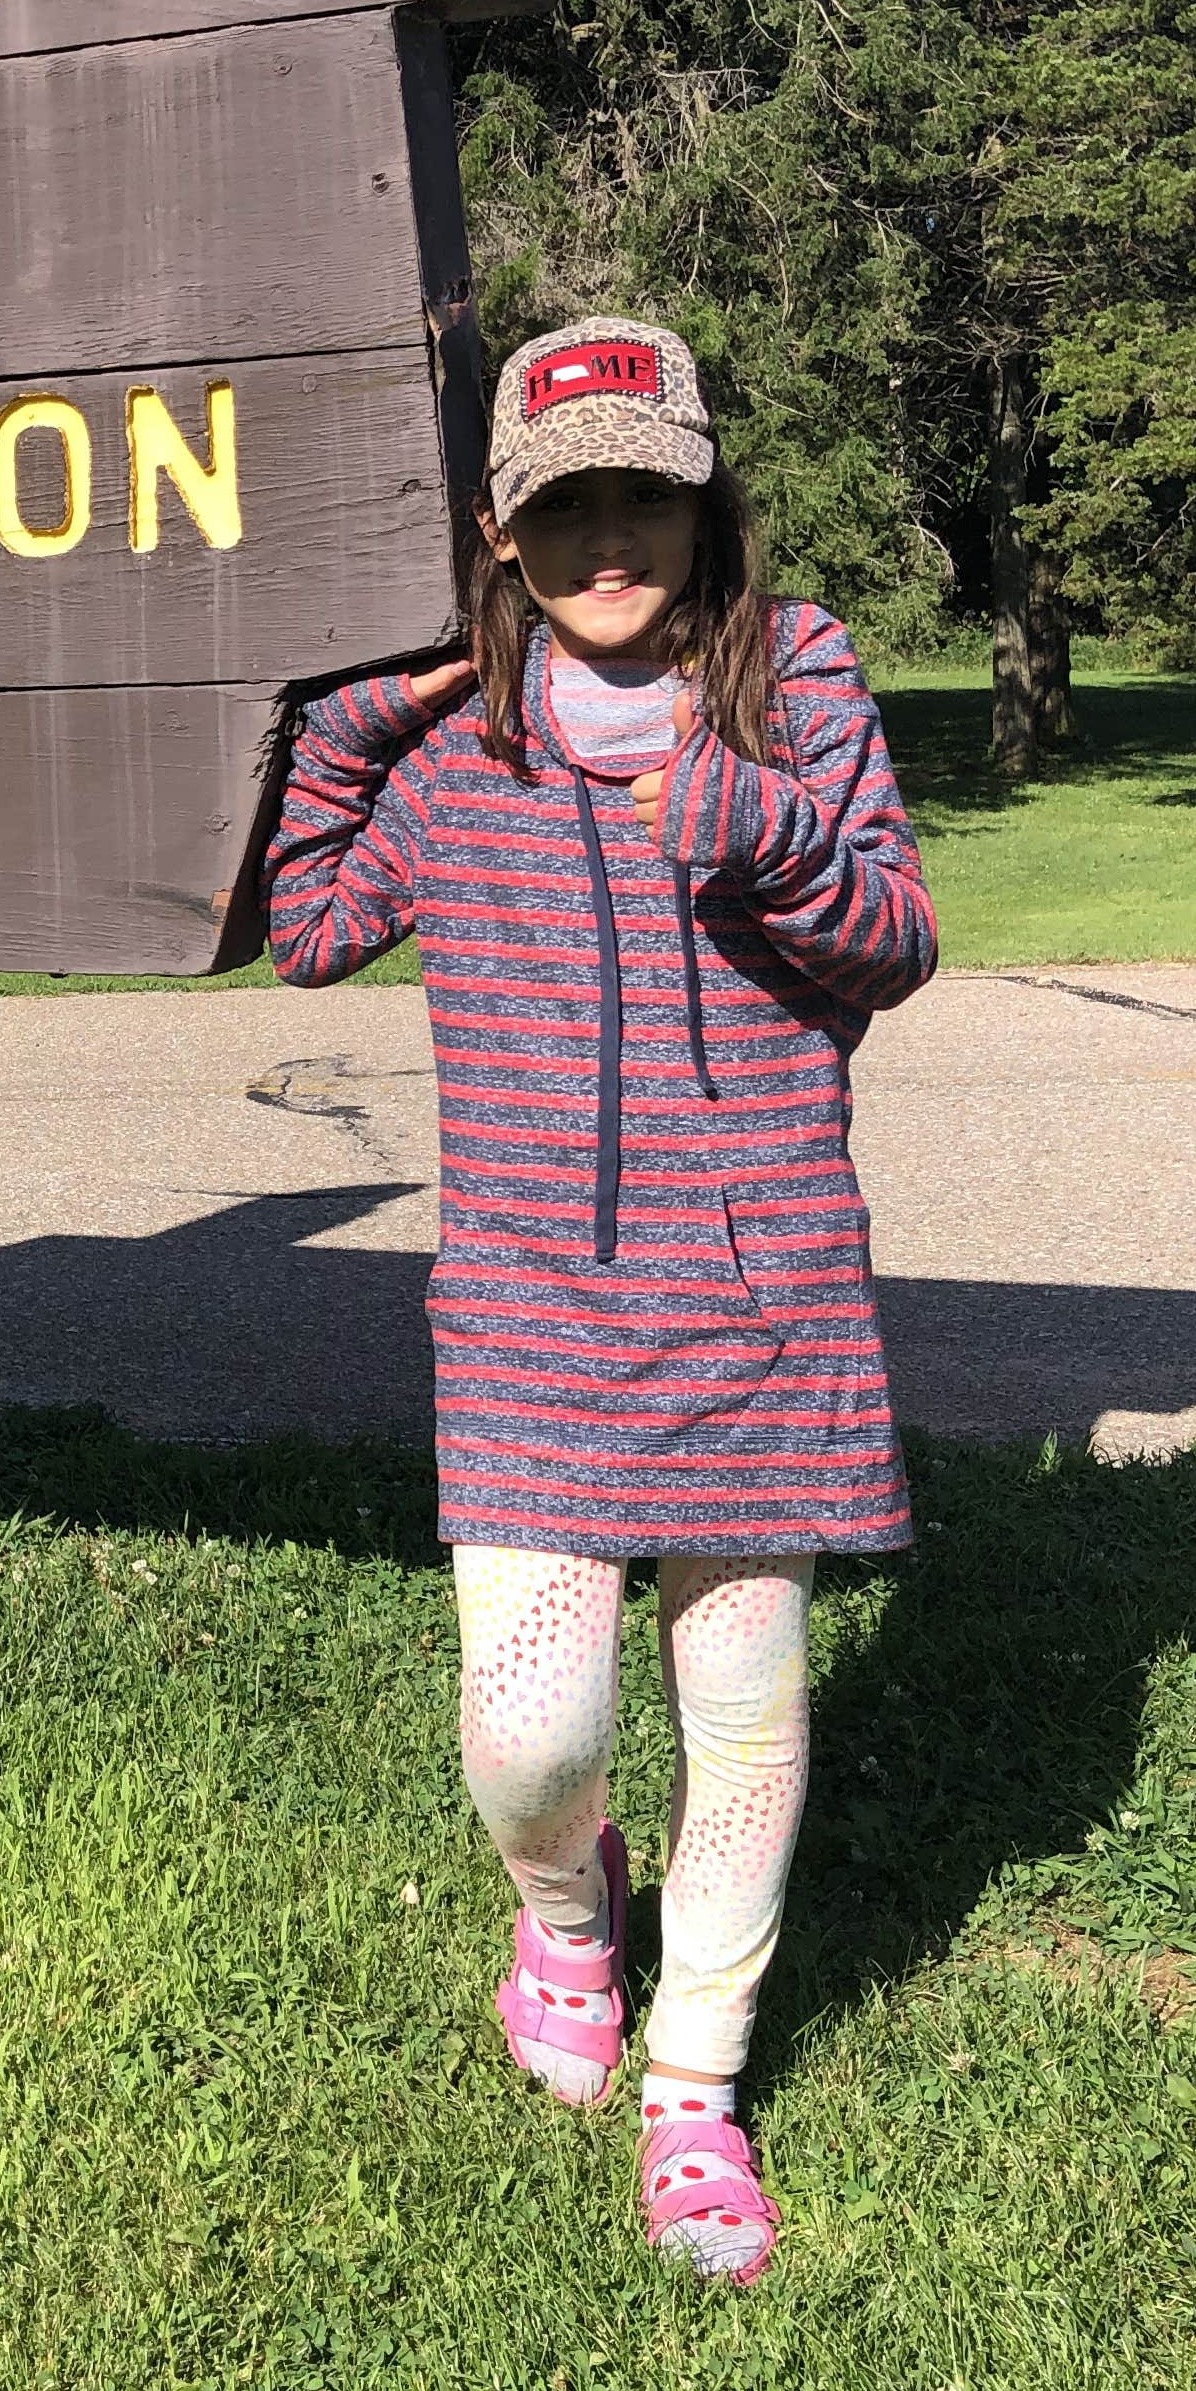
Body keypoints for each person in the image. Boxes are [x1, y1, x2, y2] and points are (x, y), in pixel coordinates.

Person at [266, 315, 937, 2281]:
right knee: (531, 1737)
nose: (611, 535)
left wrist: (754, 828)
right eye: (569, 503)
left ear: (703, 493)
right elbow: (310, 930)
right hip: (535, 1318)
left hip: (767, 1307)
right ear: (501, 529)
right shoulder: (467, 748)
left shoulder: (792, 676)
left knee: (744, 1715)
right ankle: (568, 1912)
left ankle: (697, 2094)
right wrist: (351, 727)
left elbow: (893, 937)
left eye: (646, 488)